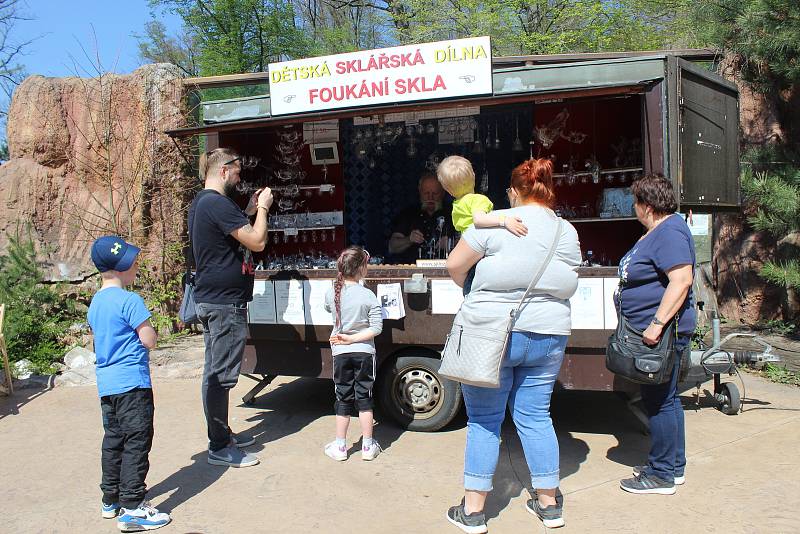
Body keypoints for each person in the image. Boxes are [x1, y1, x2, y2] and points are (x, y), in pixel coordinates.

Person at [444, 159, 582, 532]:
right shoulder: (565, 230)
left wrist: (473, 286)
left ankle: (473, 512)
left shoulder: (496, 221)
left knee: (485, 421)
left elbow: (455, 266)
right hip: (549, 333)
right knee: (536, 417)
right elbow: (570, 278)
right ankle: (549, 503)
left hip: (492, 335)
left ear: (514, 190)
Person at [188, 147, 273, 468]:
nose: (240, 177)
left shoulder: (203, 202)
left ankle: (221, 433)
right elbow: (257, 241)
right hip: (224, 303)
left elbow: (225, 240)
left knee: (215, 372)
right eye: (237, 171)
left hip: (215, 298)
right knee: (220, 376)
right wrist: (262, 209)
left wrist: (248, 211)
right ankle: (219, 446)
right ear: (223, 171)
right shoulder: (217, 203)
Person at [617, 174, 695, 495]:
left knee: (659, 401)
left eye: (636, 203)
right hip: (657, 332)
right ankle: (672, 467)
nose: (633, 208)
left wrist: (656, 323)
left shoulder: (670, 231)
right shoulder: (661, 230)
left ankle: (662, 474)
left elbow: (681, 280)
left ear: (647, 206)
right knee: (667, 399)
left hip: (661, 335)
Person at [87, 236, 171, 532]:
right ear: (122, 268)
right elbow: (148, 338)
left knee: (114, 439)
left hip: (107, 384)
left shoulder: (96, 302)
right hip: (132, 384)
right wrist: (151, 335)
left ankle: (110, 499)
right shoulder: (130, 300)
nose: (136, 265)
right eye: (132, 262)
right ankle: (133, 507)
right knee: (137, 441)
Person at [323, 246, 384, 461]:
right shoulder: (368, 295)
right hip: (364, 353)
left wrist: (346, 338)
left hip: (340, 353)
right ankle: (368, 446)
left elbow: (328, 308)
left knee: (343, 397)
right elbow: (376, 328)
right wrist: (355, 338)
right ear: (361, 268)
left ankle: (340, 446)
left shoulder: (333, 292)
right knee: (364, 398)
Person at [436, 155, 528, 294]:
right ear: (473, 176)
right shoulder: (477, 199)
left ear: (448, 190)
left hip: (468, 253)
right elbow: (479, 220)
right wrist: (504, 220)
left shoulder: (458, 205)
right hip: (482, 254)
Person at [388, 173, 454, 263]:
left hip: (445, 269)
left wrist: (451, 244)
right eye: (426, 193)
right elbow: (392, 247)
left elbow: (472, 243)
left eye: (435, 193)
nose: (430, 197)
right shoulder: (408, 213)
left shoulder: (453, 214)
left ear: (443, 192)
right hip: (412, 269)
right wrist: (409, 239)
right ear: (420, 191)